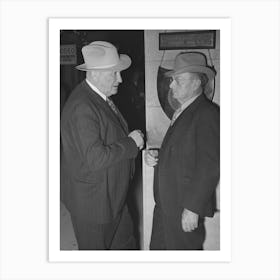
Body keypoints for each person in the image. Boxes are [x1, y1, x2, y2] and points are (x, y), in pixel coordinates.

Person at [61, 41, 144, 250]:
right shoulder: (82, 107)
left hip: (113, 196)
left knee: (127, 245)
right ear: (95, 74)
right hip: (94, 206)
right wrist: (131, 143)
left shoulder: (99, 97)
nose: (121, 79)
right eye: (114, 73)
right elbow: (95, 158)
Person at [145, 52, 220, 250]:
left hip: (183, 206)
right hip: (166, 205)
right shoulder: (184, 110)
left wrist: (193, 208)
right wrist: (157, 156)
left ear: (196, 83)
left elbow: (209, 166)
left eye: (177, 81)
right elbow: (183, 152)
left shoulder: (207, 114)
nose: (170, 86)